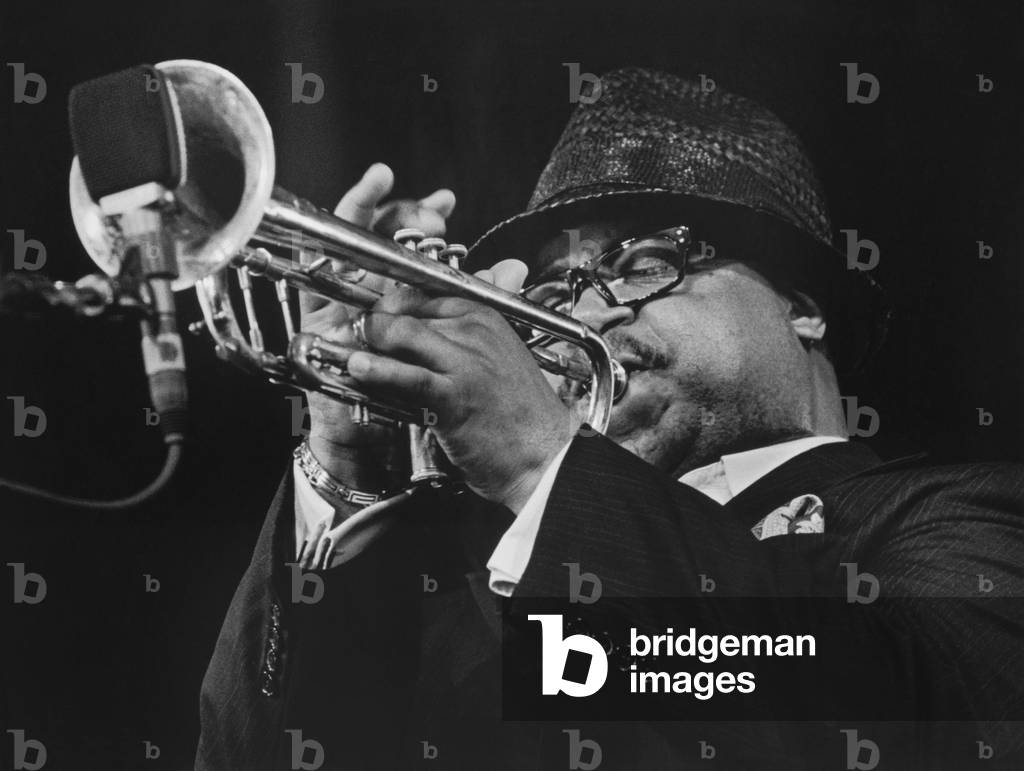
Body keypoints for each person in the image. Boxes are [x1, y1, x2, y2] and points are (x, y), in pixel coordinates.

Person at [196, 68, 1024, 770]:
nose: (588, 313)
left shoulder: (959, 514)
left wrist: (539, 462)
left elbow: (910, 722)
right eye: (557, 292)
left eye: (646, 262)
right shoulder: (492, 583)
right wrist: (346, 464)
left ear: (801, 306)